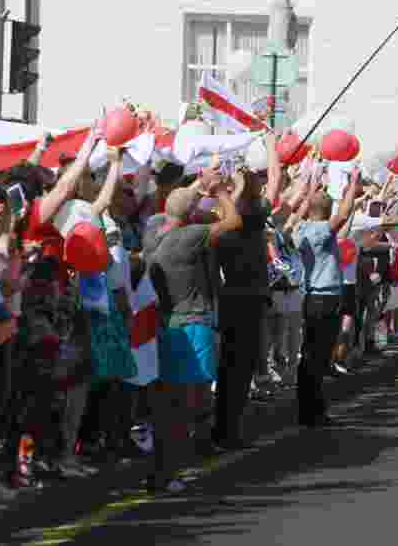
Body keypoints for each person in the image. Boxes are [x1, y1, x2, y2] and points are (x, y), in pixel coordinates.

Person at [148, 167, 243, 493]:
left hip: (170, 325)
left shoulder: (155, 233)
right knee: (184, 406)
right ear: (191, 214)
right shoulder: (188, 236)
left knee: (174, 405)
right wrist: (219, 192)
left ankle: (166, 470)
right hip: (191, 327)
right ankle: (166, 473)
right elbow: (233, 222)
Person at [213, 132, 281, 450]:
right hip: (248, 298)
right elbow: (276, 184)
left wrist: (234, 187)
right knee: (239, 369)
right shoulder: (251, 216)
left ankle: (224, 428)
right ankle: (229, 431)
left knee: (230, 366)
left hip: (228, 299)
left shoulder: (226, 221)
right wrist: (270, 146)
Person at [293, 164, 360, 427]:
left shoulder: (302, 228)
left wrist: (311, 185)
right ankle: (312, 412)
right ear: (327, 210)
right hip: (324, 298)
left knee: (311, 354)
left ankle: (310, 409)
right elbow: (344, 213)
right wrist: (353, 183)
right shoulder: (320, 230)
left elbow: (311, 208)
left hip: (313, 298)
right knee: (317, 356)